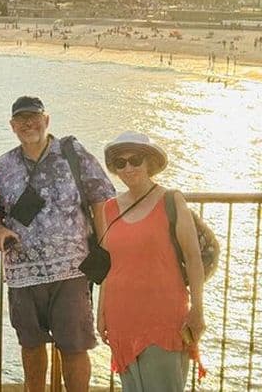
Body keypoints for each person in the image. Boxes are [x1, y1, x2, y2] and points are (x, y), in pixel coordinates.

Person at [0, 96, 115, 392]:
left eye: (34, 117)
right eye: (21, 120)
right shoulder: (3, 166)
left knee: (74, 346)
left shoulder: (72, 153)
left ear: (46, 120)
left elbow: (101, 198)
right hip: (23, 272)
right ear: (12, 126)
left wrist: (105, 248)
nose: (28, 124)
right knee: (31, 346)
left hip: (72, 270)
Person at [98, 131, 205, 391]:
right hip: (121, 316)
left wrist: (198, 309)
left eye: (135, 160)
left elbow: (193, 258)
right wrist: (101, 313)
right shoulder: (109, 208)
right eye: (121, 163)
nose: (128, 168)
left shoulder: (171, 200)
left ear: (149, 162)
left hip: (163, 317)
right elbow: (108, 266)